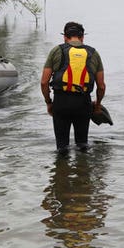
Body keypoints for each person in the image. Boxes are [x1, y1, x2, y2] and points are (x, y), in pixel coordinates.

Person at [41, 21, 106, 151]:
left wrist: (49, 103)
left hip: (61, 102)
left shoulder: (56, 51)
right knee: (82, 146)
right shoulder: (93, 53)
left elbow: (44, 82)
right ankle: (82, 169)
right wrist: (97, 105)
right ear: (82, 37)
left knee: (62, 148)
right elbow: (101, 86)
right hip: (83, 103)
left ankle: (61, 170)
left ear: (65, 37)